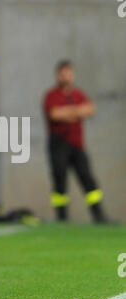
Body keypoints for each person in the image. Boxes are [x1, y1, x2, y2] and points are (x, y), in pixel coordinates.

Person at [43, 60, 108, 223]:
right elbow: (55, 114)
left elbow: (90, 109)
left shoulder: (78, 94)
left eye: (69, 73)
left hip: (77, 144)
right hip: (58, 144)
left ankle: (99, 215)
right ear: (58, 75)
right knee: (60, 180)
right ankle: (62, 217)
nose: (67, 76)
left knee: (87, 178)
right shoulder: (52, 95)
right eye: (63, 73)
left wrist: (69, 112)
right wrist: (77, 112)